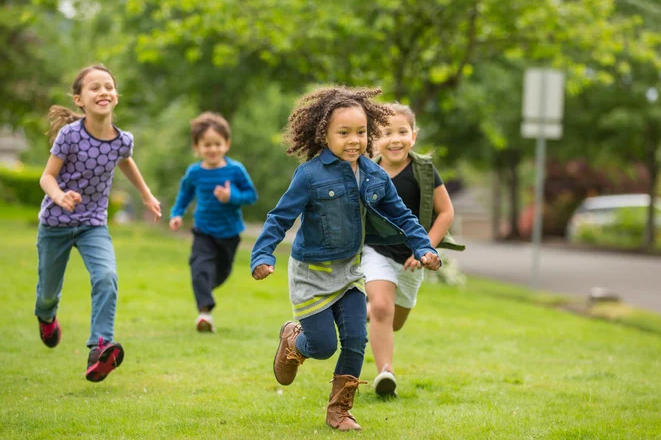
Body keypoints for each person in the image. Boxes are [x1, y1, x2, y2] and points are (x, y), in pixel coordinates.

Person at [250, 85, 441, 432]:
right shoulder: (309, 175)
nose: (354, 140)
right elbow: (279, 218)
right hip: (312, 274)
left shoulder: (373, 174)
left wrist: (423, 246)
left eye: (361, 132)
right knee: (321, 346)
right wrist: (262, 254)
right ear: (324, 134)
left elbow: (402, 215)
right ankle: (294, 341)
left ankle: (340, 411)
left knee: (355, 338)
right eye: (344, 133)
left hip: (351, 271)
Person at [35, 63, 162, 382]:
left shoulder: (122, 140)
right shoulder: (70, 136)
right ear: (79, 99)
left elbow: (125, 162)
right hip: (55, 223)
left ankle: (100, 345)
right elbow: (47, 177)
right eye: (94, 87)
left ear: (116, 95)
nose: (103, 91)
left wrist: (146, 194)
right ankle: (46, 316)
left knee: (106, 276)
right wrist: (60, 196)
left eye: (108, 86)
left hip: (93, 224)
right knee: (48, 293)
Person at [361, 103, 465, 397]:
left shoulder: (424, 170)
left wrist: (424, 249)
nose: (395, 139)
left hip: (411, 259)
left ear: (414, 136)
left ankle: (367, 312)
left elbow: (446, 212)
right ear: (374, 139)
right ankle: (386, 373)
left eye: (402, 132)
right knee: (383, 306)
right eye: (386, 133)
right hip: (374, 250)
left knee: (394, 321)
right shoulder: (366, 170)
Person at [169, 112, 258, 333]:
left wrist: (231, 197)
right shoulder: (195, 172)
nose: (212, 149)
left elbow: (251, 195)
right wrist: (177, 214)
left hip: (229, 233)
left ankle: (205, 289)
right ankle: (204, 314)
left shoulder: (235, 170)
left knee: (220, 274)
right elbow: (184, 195)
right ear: (197, 147)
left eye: (217, 144)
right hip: (203, 230)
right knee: (199, 267)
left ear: (226, 144)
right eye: (206, 145)